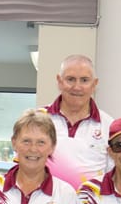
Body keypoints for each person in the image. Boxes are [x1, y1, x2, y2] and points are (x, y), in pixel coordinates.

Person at [43, 54, 114, 190]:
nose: (77, 87)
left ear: (94, 84)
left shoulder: (109, 126)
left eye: (84, 80)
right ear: (59, 81)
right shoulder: (38, 119)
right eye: (70, 79)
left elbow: (114, 177)